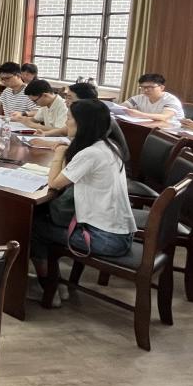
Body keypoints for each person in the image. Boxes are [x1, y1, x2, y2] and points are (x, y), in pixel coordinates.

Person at [31, 99, 136, 285]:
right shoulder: (109, 145)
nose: (66, 123)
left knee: (34, 228)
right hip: (119, 233)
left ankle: (48, 284)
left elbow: (54, 184)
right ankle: (51, 278)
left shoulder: (90, 154)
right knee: (43, 216)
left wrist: (59, 153)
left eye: (69, 118)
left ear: (83, 123)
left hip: (106, 239)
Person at [67, 81, 130, 162]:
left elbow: (86, 145)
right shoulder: (87, 115)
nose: (66, 101)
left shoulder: (100, 119)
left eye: (69, 98)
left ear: (84, 101)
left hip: (114, 161)